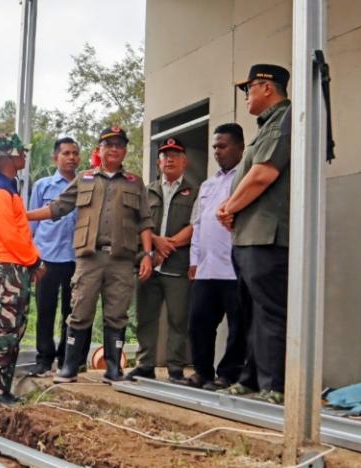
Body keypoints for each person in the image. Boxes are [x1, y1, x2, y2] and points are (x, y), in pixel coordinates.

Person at [27, 126, 154, 384]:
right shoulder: (84, 178)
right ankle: (69, 367)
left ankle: (113, 369)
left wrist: (149, 254)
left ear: (125, 151)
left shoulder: (134, 182)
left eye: (119, 145)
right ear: (100, 150)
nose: (114, 149)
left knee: (117, 313)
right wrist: (23, 216)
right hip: (88, 259)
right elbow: (58, 207)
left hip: (121, 259)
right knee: (80, 310)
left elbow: (145, 221)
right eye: (109, 145)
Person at [216, 64, 292, 404]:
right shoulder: (266, 126)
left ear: (267, 87)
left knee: (270, 313)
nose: (246, 95)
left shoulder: (285, 118)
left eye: (249, 88)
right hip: (249, 237)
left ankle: (274, 386)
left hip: (267, 237)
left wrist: (230, 206)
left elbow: (263, 175)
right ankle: (250, 378)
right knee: (249, 313)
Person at [125, 137, 198, 382]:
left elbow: (196, 226)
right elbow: (136, 224)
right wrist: (155, 242)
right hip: (148, 264)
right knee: (146, 317)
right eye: (165, 155)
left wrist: (169, 245)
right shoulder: (147, 192)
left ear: (184, 161)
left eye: (175, 155)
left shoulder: (195, 191)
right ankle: (145, 364)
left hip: (178, 266)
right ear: (158, 162)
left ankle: (175, 368)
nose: (170, 159)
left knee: (178, 319)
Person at [0, 134, 44, 406]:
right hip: (7, 265)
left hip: (15, 265)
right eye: (21, 152)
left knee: (12, 328)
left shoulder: (8, 186)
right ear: (7, 156)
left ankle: (1, 390)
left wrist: (29, 261)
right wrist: (35, 261)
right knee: (3, 329)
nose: (25, 156)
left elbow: (19, 231)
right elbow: (11, 236)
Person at [184, 123, 247, 390]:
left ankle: (228, 374)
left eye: (222, 146)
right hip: (207, 268)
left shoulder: (244, 179)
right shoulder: (208, 184)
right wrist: (193, 260)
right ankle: (202, 372)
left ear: (240, 147)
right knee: (199, 322)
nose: (217, 152)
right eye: (214, 147)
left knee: (238, 327)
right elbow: (198, 224)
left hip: (235, 268)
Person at [29, 138, 84, 377]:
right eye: (66, 153)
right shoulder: (43, 185)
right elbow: (30, 225)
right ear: (56, 158)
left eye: (75, 153)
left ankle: (67, 359)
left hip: (77, 258)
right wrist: (32, 258)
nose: (71, 158)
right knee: (45, 311)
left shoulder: (87, 184)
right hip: (47, 257)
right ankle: (44, 359)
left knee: (71, 312)